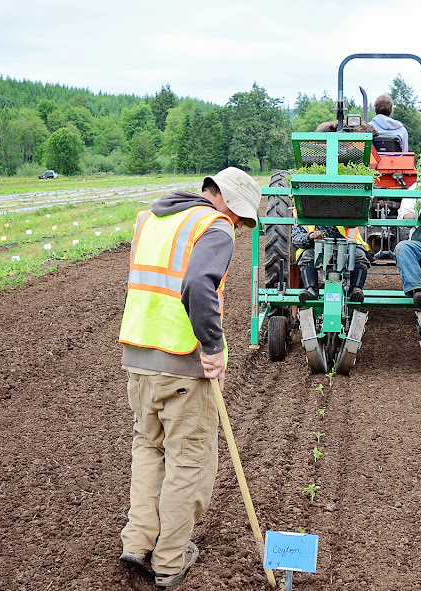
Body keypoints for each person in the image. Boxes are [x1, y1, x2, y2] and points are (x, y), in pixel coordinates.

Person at [117, 167, 261, 587]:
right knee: (188, 461)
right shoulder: (214, 226)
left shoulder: (151, 218)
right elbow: (198, 285)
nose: (238, 226)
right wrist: (213, 348)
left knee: (149, 448)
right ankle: (169, 561)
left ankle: (138, 541)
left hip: (138, 357)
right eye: (239, 216)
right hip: (182, 361)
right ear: (224, 199)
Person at [291, 224, 370, 305]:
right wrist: (310, 237)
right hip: (318, 246)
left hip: (347, 243)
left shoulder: (347, 215)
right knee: (307, 257)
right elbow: (296, 239)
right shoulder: (301, 219)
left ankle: (355, 290)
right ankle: (311, 290)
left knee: (360, 257)